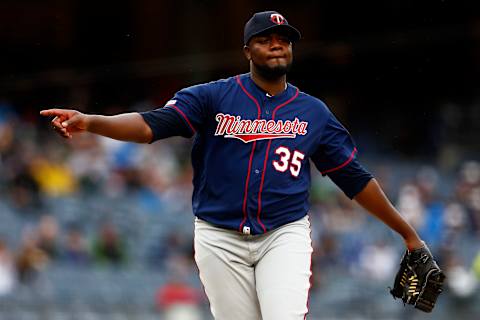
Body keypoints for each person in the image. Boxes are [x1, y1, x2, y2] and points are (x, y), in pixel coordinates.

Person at [41, 11, 431, 320]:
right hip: (218, 235)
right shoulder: (212, 96)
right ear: (247, 50)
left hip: (284, 233)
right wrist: (91, 121)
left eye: (284, 40)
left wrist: (408, 234)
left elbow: (354, 178)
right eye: (266, 40)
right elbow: (151, 125)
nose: (277, 46)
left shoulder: (313, 112)